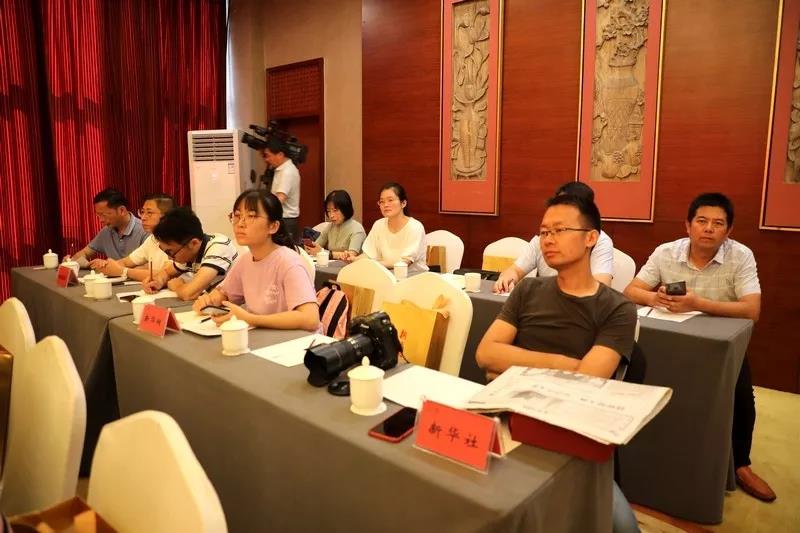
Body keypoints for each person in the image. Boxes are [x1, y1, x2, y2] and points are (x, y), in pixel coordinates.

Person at [476, 193, 639, 532]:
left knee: (623, 527)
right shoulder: (528, 291)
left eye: (559, 230)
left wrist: (511, 366)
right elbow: (486, 354)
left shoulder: (617, 308)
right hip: (508, 419)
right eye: (543, 232)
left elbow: (588, 378)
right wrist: (565, 363)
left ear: (591, 238)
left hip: (571, 432)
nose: (548, 239)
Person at [623, 192, 774, 502]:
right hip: (674, 341)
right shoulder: (666, 252)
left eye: (718, 223)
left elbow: (752, 310)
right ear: (688, 225)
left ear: (729, 231)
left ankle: (741, 464)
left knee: (741, 394)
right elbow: (631, 290)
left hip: (722, 346)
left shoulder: (740, 256)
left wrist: (698, 304)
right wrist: (654, 297)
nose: (708, 228)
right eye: (702, 221)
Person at [193, 190, 319, 331]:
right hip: (263, 337)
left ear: (273, 226)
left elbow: (310, 319)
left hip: (298, 341)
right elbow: (225, 293)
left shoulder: (289, 262)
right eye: (237, 216)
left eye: (251, 216)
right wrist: (210, 301)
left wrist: (250, 319)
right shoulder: (245, 261)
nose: (240, 224)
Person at [494, 181, 614, 293]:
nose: (548, 240)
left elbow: (601, 289)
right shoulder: (543, 238)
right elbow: (515, 270)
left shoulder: (598, 240)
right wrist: (506, 279)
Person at [143, 207, 238, 300]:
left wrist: (178, 286)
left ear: (193, 243)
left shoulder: (219, 247)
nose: (169, 258)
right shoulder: (188, 251)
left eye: (171, 252)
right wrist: (158, 281)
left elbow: (189, 294)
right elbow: (167, 272)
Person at [88, 193, 176, 281]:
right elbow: (126, 262)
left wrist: (123, 271)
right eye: (142, 212)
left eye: (149, 212)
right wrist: (105, 264)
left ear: (167, 215)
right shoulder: (152, 239)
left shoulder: (176, 240)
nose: (143, 218)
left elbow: (165, 274)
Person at [347, 182, 427, 272]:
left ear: (403, 203)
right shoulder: (379, 225)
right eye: (382, 201)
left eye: (390, 200)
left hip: (414, 276)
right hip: (385, 274)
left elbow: (403, 263)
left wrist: (373, 264)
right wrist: (354, 259)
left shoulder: (415, 227)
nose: (385, 205)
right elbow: (369, 255)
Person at [72, 188, 148, 265]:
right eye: (98, 215)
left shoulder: (145, 230)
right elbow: (84, 252)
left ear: (122, 210)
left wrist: (112, 267)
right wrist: (71, 261)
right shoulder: (106, 231)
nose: (101, 220)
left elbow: (149, 267)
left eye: (104, 215)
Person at [304, 190, 366, 260]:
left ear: (345, 209)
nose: (331, 215)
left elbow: (350, 256)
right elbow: (317, 246)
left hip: (352, 266)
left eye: (335, 210)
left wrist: (325, 253)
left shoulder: (357, 229)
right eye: (328, 211)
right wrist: (310, 248)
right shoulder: (330, 226)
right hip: (332, 265)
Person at [263, 138, 301, 243]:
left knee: (284, 251)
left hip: (286, 221)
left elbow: (280, 199)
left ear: (280, 154)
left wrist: (262, 211)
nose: (266, 159)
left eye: (268, 155)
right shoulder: (281, 169)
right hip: (283, 219)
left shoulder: (287, 172)